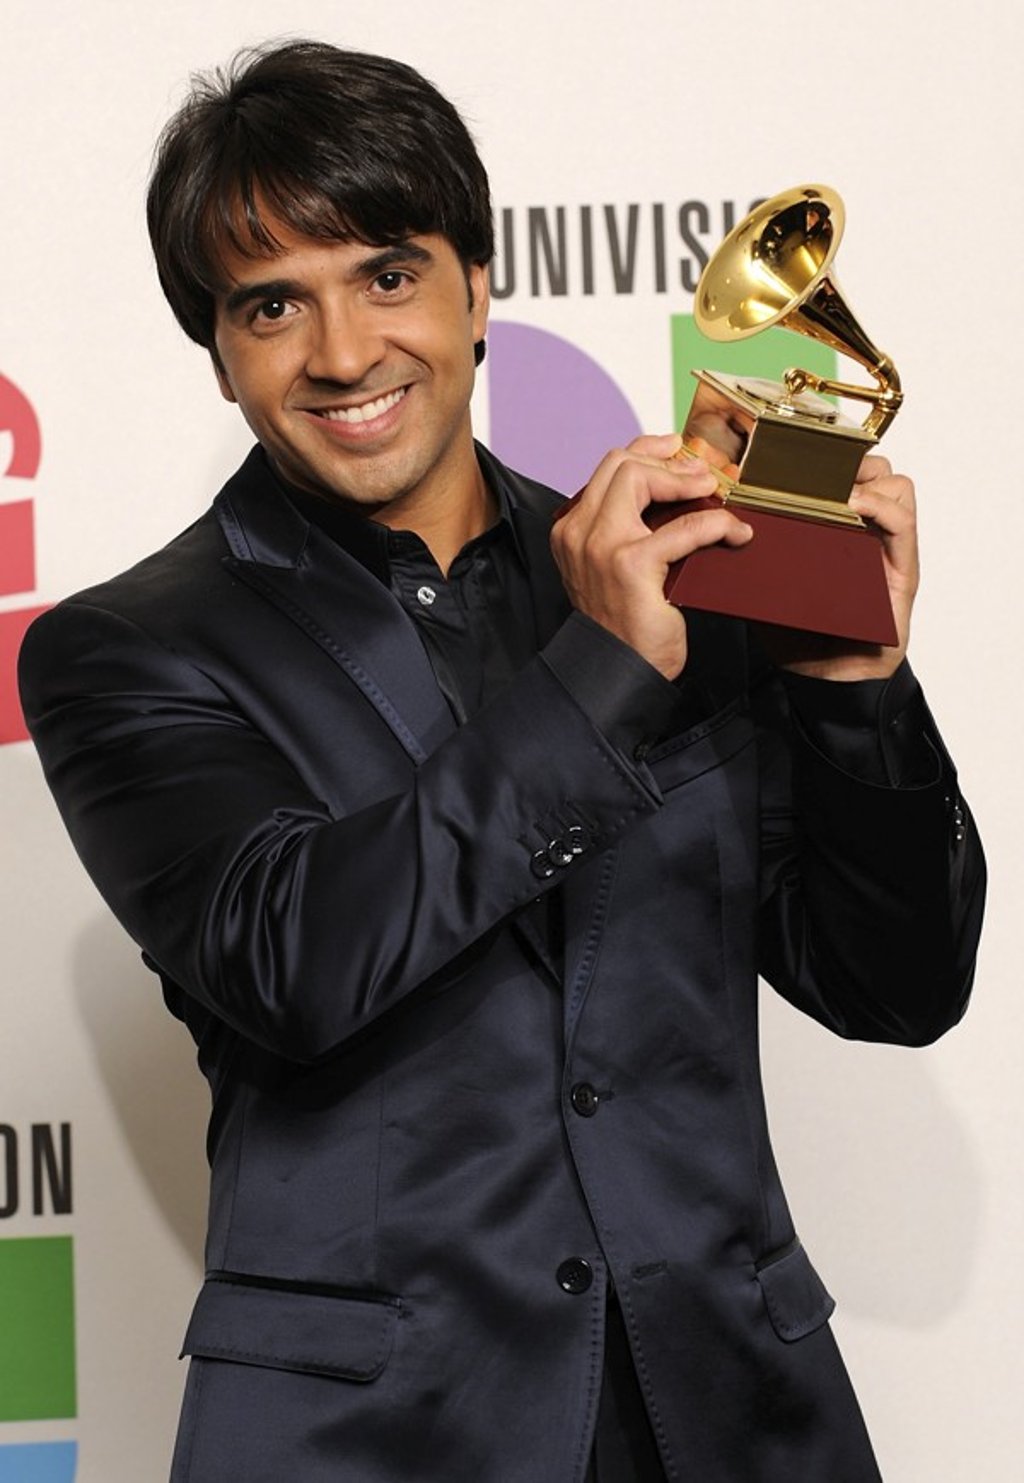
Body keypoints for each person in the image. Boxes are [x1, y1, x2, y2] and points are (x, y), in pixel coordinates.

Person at [18, 39, 985, 1483]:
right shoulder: (125, 649)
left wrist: (857, 689)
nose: (344, 353)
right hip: (376, 1443)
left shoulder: (678, 578)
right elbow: (295, 960)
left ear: (479, 289)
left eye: (388, 275)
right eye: (272, 303)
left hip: (733, 1421)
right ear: (217, 352)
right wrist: (601, 666)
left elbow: (894, 986)